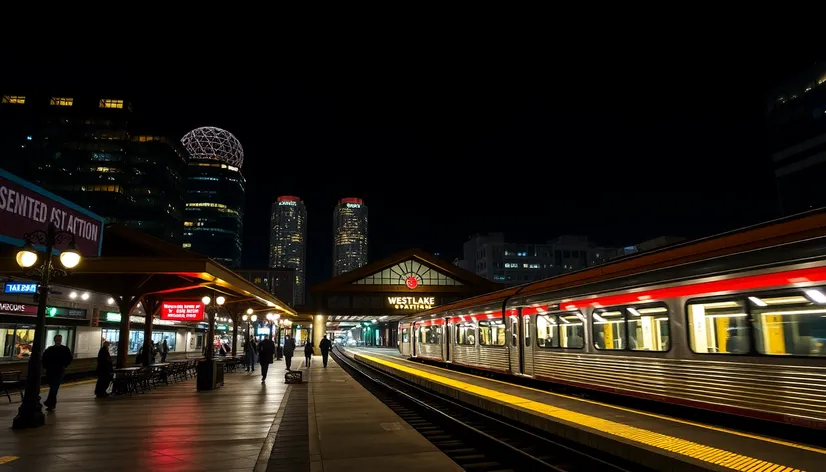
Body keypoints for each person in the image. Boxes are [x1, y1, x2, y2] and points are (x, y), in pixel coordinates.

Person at [42, 334, 73, 411]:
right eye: (57, 340)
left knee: (54, 386)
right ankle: (50, 403)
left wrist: (64, 365)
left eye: (59, 340)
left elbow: (44, 359)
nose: (58, 341)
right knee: (54, 387)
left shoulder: (51, 350)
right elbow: (44, 359)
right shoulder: (63, 349)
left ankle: (50, 403)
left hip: (57, 370)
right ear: (55, 340)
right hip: (53, 370)